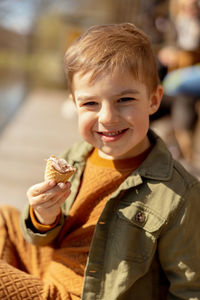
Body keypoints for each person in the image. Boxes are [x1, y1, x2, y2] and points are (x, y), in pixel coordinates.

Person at [0, 23, 200, 300]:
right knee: (4, 218)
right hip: (53, 264)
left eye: (125, 99)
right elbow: (45, 238)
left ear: (154, 100)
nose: (107, 117)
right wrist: (44, 217)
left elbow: (190, 288)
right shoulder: (76, 156)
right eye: (90, 104)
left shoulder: (180, 195)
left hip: (79, 293)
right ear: (74, 103)